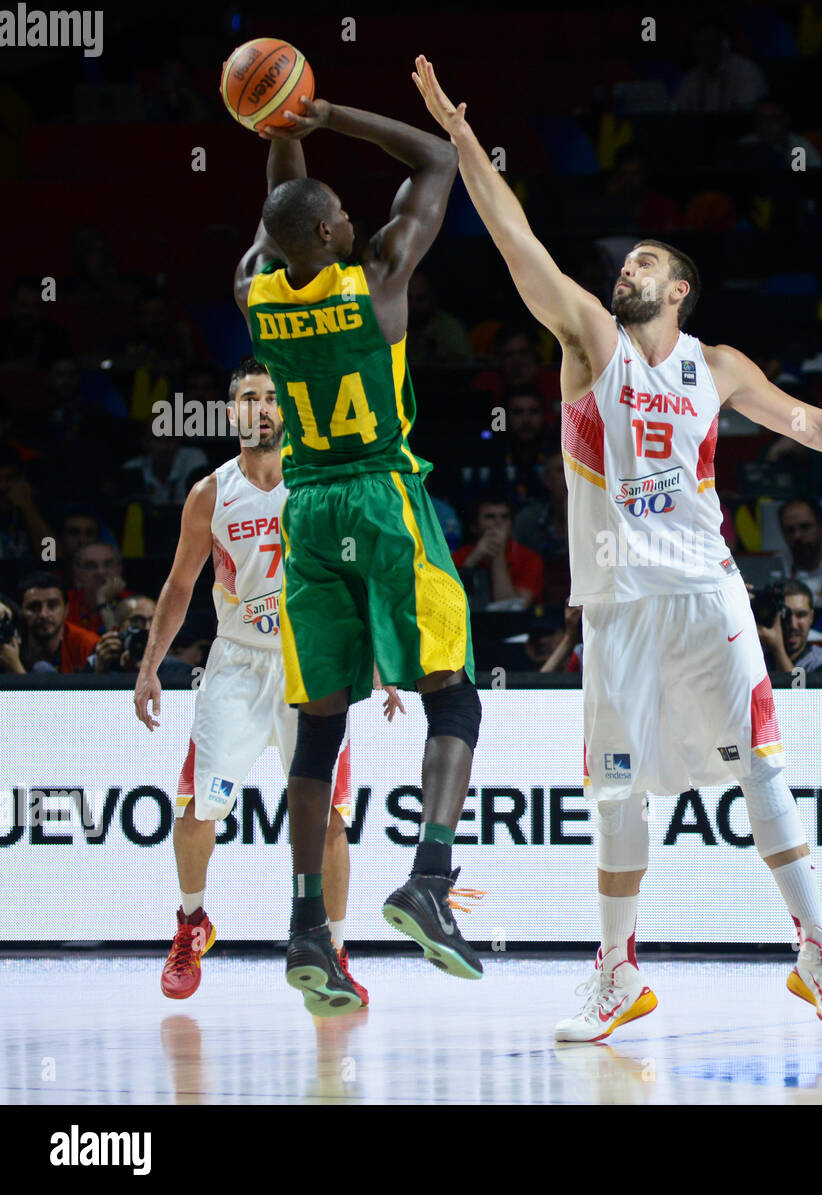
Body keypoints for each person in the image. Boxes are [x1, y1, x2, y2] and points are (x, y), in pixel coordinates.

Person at [411, 55, 822, 1040]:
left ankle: (818, 955)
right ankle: (616, 973)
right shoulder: (585, 338)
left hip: (706, 596)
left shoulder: (715, 366)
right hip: (615, 607)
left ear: (679, 288)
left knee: (762, 770)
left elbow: (808, 424)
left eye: (645, 262)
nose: (625, 270)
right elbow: (514, 239)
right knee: (616, 791)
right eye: (623, 263)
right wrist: (462, 134)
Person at [231, 85, 479, 1015]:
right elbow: (436, 160)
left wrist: (277, 130)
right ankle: (430, 878)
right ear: (337, 236)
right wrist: (324, 114)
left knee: (321, 728)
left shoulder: (255, 290)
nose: (350, 212)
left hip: (305, 507)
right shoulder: (377, 276)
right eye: (341, 211)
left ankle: (305, 924)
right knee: (453, 696)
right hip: (381, 495)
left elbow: (277, 213)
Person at [132, 358, 383, 1003]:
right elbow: (181, 584)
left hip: (314, 665)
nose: (262, 409)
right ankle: (191, 924)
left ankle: (332, 948)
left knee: (330, 820)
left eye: (272, 398)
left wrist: (380, 661)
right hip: (239, 665)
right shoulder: (210, 494)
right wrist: (150, 664)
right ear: (232, 413)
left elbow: (361, 576)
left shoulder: (318, 482)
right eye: (249, 398)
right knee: (194, 809)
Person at [451, 494, 544, 606]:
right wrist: (472, 560)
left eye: (504, 517)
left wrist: (498, 555)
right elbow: (448, 601)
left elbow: (513, 607)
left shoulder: (530, 559)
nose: (498, 522)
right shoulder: (458, 556)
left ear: (511, 525)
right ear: (474, 526)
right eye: (490, 517)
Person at [2, 572, 99, 673]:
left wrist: (16, 669)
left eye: (52, 606)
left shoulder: (86, 645)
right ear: (21, 610)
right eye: (34, 607)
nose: (43, 614)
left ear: (66, 610)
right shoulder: (9, 643)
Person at [89, 594, 193, 683]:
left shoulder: (178, 671)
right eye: (137, 621)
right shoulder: (96, 663)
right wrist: (99, 673)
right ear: (117, 628)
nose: (147, 628)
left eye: (153, 621)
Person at [755, 579, 822, 674]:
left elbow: (798, 688)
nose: (793, 625)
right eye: (786, 614)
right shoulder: (755, 656)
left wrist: (778, 650)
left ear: (811, 617)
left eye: (801, 615)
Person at [673, 25, 767, 113]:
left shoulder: (746, 71)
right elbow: (680, 110)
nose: (706, 51)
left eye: (711, 43)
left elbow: (746, 114)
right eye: (701, 45)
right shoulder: (692, 78)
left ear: (725, 43)